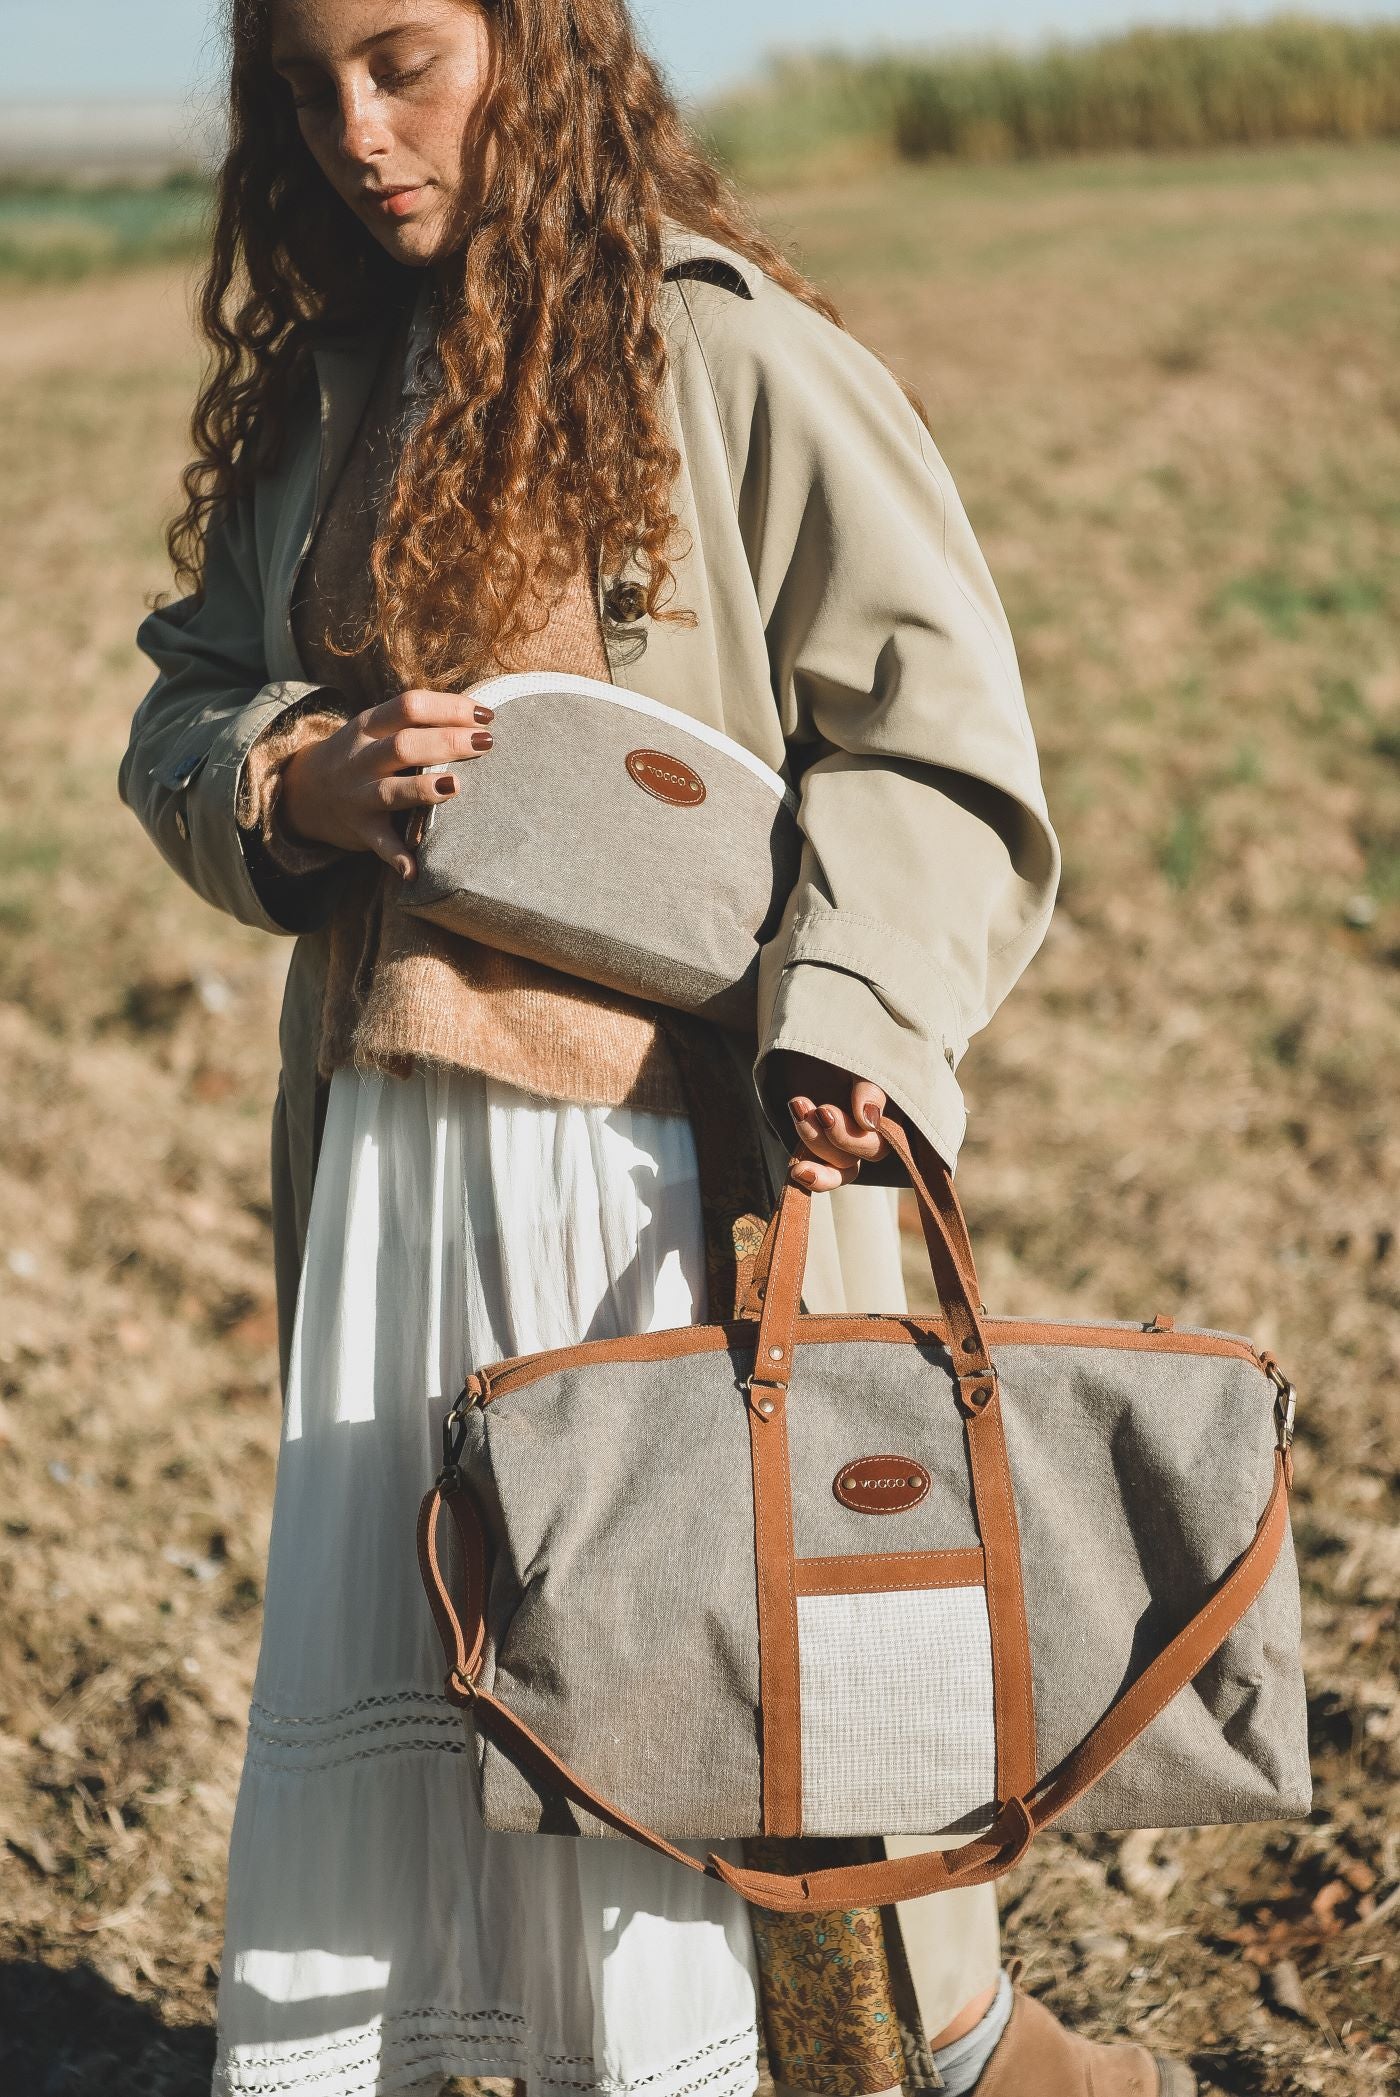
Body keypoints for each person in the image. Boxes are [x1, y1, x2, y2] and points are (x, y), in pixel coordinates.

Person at [120, 3, 1192, 2093]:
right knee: (431, 1673)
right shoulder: (322, 389)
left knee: (706, 1695)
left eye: (406, 59)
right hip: (393, 1175)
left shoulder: (739, 359)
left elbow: (936, 755)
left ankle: (958, 2058)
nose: (352, 130)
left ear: (540, 44)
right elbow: (183, 711)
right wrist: (291, 777)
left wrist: (855, 1020)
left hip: (663, 1191)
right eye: (298, 85)